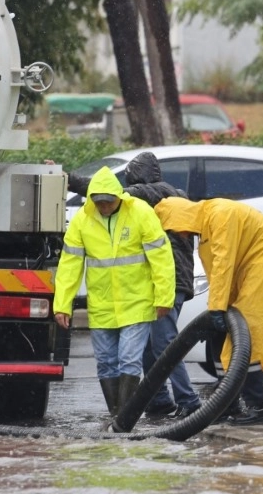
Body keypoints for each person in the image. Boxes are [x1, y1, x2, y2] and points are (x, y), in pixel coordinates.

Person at [154, 196, 263, 425]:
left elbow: (223, 264)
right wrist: (216, 309)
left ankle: (260, 408)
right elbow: (217, 270)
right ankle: (227, 405)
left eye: (173, 229)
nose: (176, 235)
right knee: (220, 335)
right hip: (247, 270)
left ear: (180, 217)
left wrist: (216, 307)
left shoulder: (220, 215)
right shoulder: (206, 226)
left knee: (246, 335)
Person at [53, 167, 176, 417]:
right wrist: (62, 304)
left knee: (128, 360)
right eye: (98, 202)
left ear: (119, 197)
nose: (104, 206)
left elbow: (161, 258)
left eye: (108, 201)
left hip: (137, 303)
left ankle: (125, 418)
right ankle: (117, 415)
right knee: (107, 363)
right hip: (102, 306)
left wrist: (164, 297)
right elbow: (69, 265)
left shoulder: (140, 213)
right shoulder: (82, 220)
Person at [119, 152, 203, 419]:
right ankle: (158, 400)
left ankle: (188, 400)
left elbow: (111, 192)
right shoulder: (171, 194)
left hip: (170, 282)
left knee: (165, 345)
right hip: (165, 281)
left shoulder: (157, 193)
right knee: (148, 346)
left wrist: (70, 182)